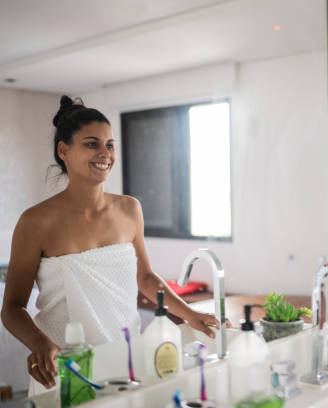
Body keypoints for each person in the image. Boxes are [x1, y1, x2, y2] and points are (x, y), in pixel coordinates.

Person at [0, 96, 223, 391]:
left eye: (110, 144)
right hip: (66, 366)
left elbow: (144, 277)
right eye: (92, 143)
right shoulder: (36, 221)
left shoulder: (130, 209)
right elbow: (12, 308)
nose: (105, 153)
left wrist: (190, 314)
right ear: (63, 150)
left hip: (125, 358)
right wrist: (41, 344)